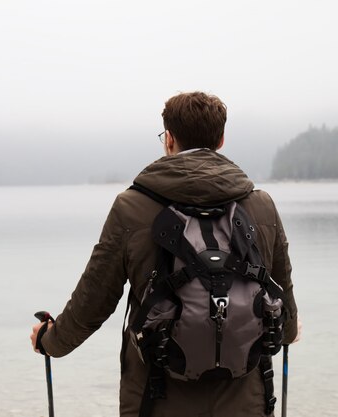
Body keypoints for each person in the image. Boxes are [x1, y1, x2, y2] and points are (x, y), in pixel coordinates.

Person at [30, 91, 300, 417]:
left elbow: (92, 303)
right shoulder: (261, 205)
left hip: (155, 398)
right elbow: (281, 300)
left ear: (169, 139)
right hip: (245, 399)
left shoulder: (133, 207)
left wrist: (49, 340)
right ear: (222, 139)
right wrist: (289, 330)